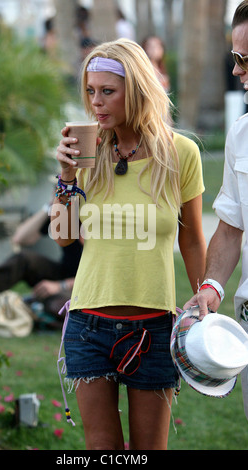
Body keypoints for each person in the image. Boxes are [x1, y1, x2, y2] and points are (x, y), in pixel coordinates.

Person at [51, 38, 206, 450]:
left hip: (154, 328)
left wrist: (203, 299)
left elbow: (191, 236)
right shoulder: (87, 152)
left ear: (134, 90)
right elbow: (64, 235)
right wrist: (66, 177)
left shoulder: (180, 154)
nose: (96, 102)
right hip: (88, 326)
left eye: (107, 91)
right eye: (90, 90)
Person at [183, 0, 248, 418]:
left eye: (244, 59)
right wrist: (212, 287)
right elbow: (229, 228)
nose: (236, 70)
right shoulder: (241, 134)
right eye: (235, 58)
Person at [0, 201, 83, 325]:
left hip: (89, 286)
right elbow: (20, 239)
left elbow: (107, 275)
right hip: (65, 273)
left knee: (57, 305)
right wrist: (49, 206)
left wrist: (61, 285)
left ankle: (39, 309)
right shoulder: (65, 209)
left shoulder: (98, 214)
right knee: (24, 259)